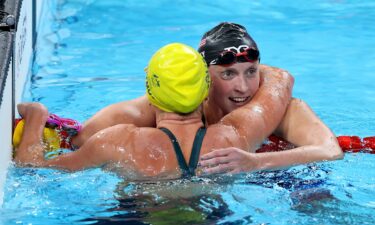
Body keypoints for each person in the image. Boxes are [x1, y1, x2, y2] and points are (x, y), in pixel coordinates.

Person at [14, 42, 342, 178]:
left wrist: (36, 116)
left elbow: (33, 167)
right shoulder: (234, 136)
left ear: (151, 93)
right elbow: (278, 87)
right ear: (206, 91)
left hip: (135, 214)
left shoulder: (118, 141)